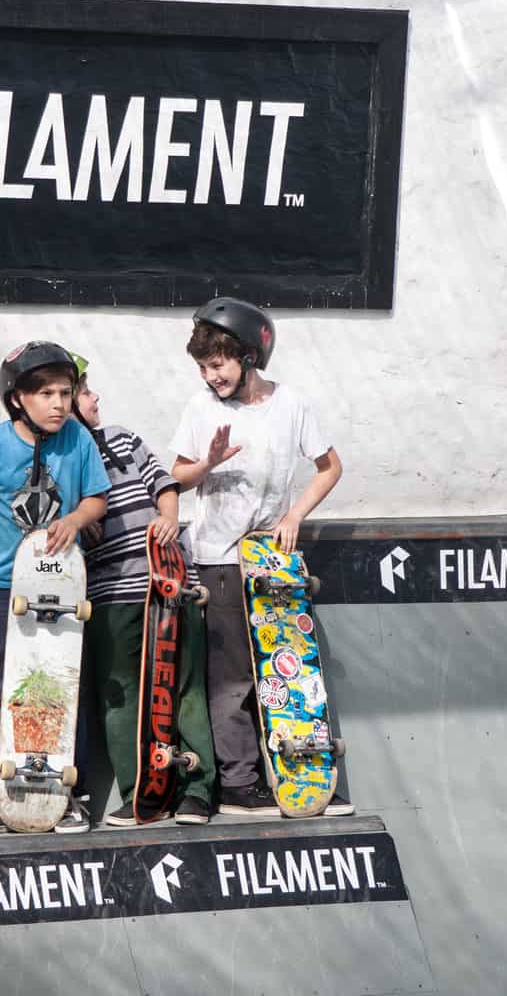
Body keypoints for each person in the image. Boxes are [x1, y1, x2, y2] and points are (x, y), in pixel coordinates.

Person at [167, 297, 351, 817]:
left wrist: (294, 516)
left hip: (273, 559)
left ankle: (300, 775)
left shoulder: (291, 404)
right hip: (220, 558)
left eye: (217, 364)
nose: (211, 376)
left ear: (248, 356)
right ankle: (239, 782)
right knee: (233, 678)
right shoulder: (201, 408)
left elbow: (330, 467)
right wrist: (208, 463)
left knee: (287, 671)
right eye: (203, 367)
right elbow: (176, 477)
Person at [0, 342, 110, 838]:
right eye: (46, 394)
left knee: (60, 689)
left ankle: (65, 795)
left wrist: (75, 519)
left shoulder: (77, 439)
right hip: (0, 585)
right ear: (17, 398)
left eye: (66, 393)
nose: (59, 403)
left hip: (60, 587)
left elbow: (97, 497)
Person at [69, 353, 216, 827]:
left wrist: (169, 517)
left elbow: (163, 483)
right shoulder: (60, 460)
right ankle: (141, 793)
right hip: (110, 592)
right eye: (84, 392)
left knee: (184, 688)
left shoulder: (122, 439)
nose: (94, 398)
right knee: (122, 697)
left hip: (166, 581)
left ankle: (197, 789)